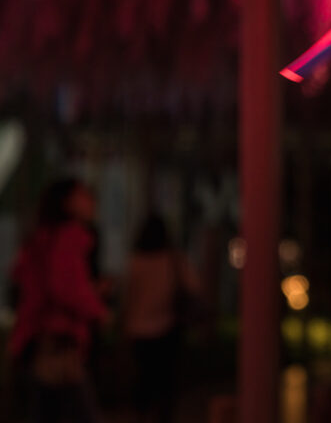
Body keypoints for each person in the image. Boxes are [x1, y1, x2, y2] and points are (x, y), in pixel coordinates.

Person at [9, 177, 109, 423]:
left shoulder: (43, 237)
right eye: (82, 194)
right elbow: (63, 287)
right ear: (68, 203)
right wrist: (96, 308)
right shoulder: (69, 236)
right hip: (60, 343)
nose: (90, 200)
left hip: (41, 340)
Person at [124, 213, 201, 423]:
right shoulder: (174, 260)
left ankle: (141, 415)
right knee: (165, 384)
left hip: (139, 329)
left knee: (143, 381)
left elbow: (127, 297)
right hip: (167, 328)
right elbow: (194, 287)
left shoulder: (136, 262)